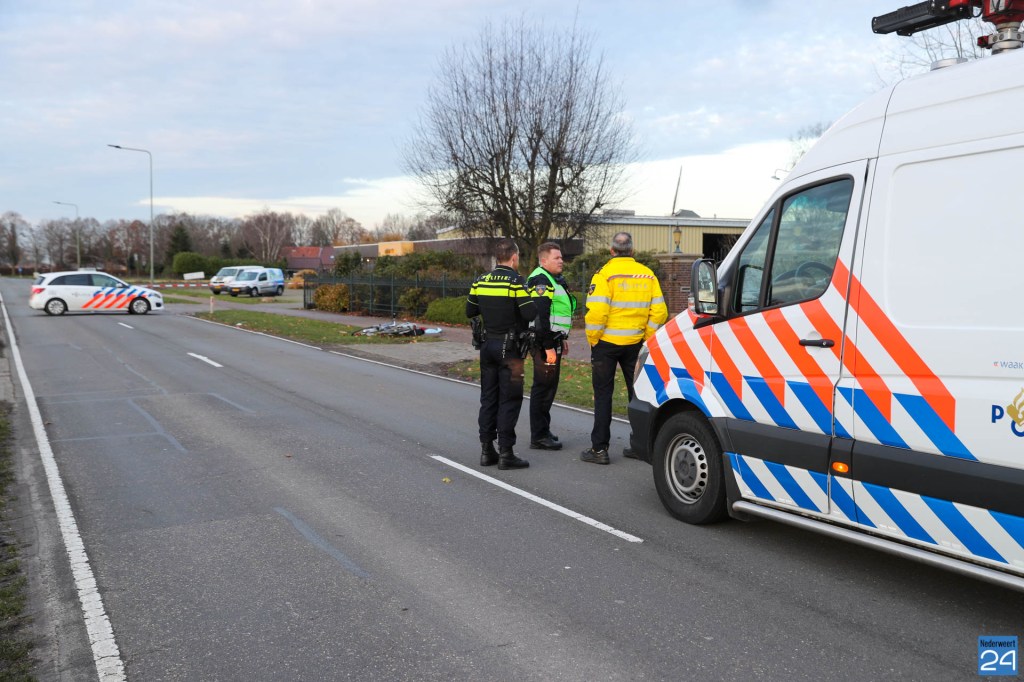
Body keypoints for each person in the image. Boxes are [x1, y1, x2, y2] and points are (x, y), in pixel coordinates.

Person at [582, 232, 668, 465]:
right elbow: (660, 311)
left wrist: (594, 339)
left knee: (603, 395)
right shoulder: (648, 275)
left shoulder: (604, 275)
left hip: (606, 345)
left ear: (612, 251)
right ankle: (640, 446)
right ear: (632, 251)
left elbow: (597, 312)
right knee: (638, 395)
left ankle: (599, 449)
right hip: (635, 345)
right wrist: (646, 337)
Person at [466, 238, 537, 470]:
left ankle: (487, 450)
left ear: (497, 258)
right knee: (510, 399)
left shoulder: (481, 280)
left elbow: (470, 310)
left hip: (487, 346)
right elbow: (529, 314)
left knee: (488, 398)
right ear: (514, 257)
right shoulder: (516, 282)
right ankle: (507, 453)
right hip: (510, 349)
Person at [526, 242, 577, 451]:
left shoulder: (552, 279)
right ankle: (538, 436)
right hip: (542, 343)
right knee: (543, 387)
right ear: (544, 260)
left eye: (561, 257)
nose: (561, 261)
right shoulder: (541, 280)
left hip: (552, 340)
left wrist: (561, 338)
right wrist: (548, 346)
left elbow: (555, 313)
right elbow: (540, 317)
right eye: (557, 258)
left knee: (549, 387)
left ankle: (543, 430)